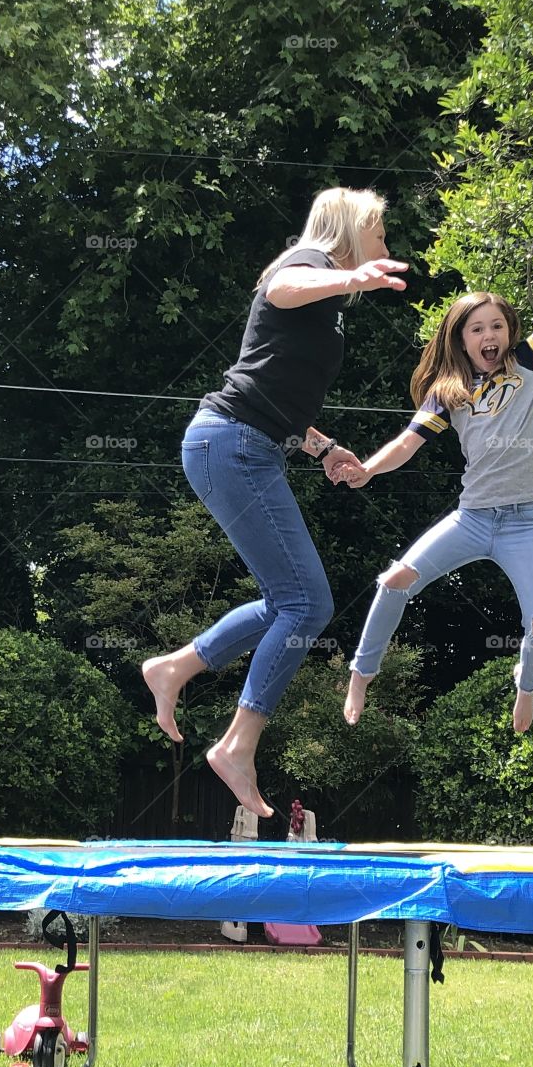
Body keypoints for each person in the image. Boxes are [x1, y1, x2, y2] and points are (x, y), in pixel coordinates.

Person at [142, 187, 409, 818]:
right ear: (353, 229)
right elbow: (282, 287)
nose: (387, 249)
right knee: (307, 602)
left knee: (288, 602)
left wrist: (324, 449)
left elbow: (274, 394)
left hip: (243, 443)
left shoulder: (328, 294)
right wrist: (353, 273)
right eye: (380, 235)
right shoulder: (309, 266)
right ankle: (236, 744)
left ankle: (176, 667)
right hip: (230, 445)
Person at [336, 189, 533, 734]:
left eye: (496, 326)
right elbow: (407, 444)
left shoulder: (530, 362)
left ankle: (525, 688)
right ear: (462, 340)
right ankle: (361, 674)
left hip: (526, 522)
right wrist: (368, 468)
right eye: (477, 328)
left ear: (508, 332)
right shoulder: (448, 392)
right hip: (473, 519)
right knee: (394, 580)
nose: (490, 335)